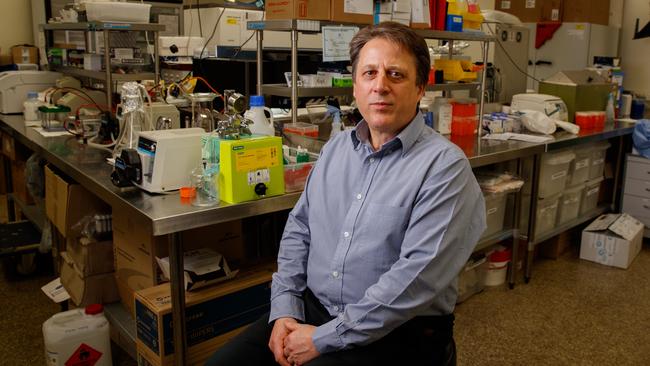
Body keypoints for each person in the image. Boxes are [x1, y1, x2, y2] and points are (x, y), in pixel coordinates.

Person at [206, 21, 486, 366]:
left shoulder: (444, 167)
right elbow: (300, 230)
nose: (380, 86)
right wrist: (284, 310)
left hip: (398, 332)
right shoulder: (337, 149)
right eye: (369, 73)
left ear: (419, 88)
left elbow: (414, 280)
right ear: (355, 86)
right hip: (312, 311)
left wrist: (324, 339)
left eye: (395, 75)